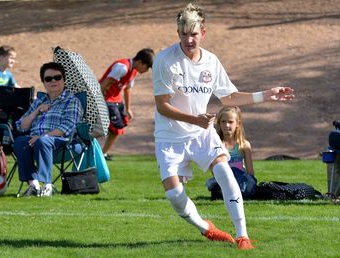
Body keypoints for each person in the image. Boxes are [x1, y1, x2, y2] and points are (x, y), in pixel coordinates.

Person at [152, 3, 294, 250]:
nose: (188, 39)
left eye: (193, 34)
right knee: (175, 196)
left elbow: (229, 98)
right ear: (178, 33)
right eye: (183, 34)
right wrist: (195, 119)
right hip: (169, 138)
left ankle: (242, 236)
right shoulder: (164, 60)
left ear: (203, 33)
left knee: (225, 173)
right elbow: (163, 106)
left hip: (202, 134)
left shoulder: (211, 61)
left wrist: (266, 94)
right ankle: (206, 229)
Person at [14, 62, 83, 197]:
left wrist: (42, 137)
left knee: (43, 142)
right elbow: (21, 126)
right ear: (44, 82)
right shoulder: (39, 101)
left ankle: (47, 185)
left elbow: (66, 127)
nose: (53, 81)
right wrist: (36, 112)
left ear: (64, 79)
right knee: (20, 141)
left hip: (64, 142)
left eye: (57, 77)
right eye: (48, 79)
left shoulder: (72, 101)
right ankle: (33, 185)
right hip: (35, 141)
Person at [99, 48, 155, 160]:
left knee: (118, 128)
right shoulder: (123, 67)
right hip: (106, 100)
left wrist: (128, 109)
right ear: (140, 62)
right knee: (105, 128)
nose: (147, 70)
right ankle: (94, 153)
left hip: (116, 100)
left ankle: (102, 154)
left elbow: (127, 89)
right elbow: (105, 83)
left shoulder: (133, 71)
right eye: (147, 67)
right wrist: (99, 102)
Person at [207, 106, 257, 199]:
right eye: (223, 122)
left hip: (241, 180)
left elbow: (250, 172)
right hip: (223, 179)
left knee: (249, 181)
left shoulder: (244, 145)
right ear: (219, 123)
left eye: (230, 122)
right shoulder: (216, 145)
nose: (226, 125)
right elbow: (214, 170)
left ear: (238, 123)